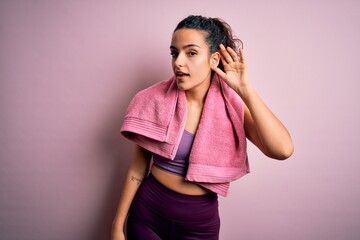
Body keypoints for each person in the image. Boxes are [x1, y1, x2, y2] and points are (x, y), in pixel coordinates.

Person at [111, 15, 294, 240]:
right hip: (147, 215)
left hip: (199, 226)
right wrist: (117, 226)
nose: (178, 62)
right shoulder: (153, 100)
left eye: (191, 53)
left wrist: (246, 90)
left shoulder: (232, 108)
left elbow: (282, 150)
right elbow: (138, 168)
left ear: (214, 59)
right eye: (174, 52)